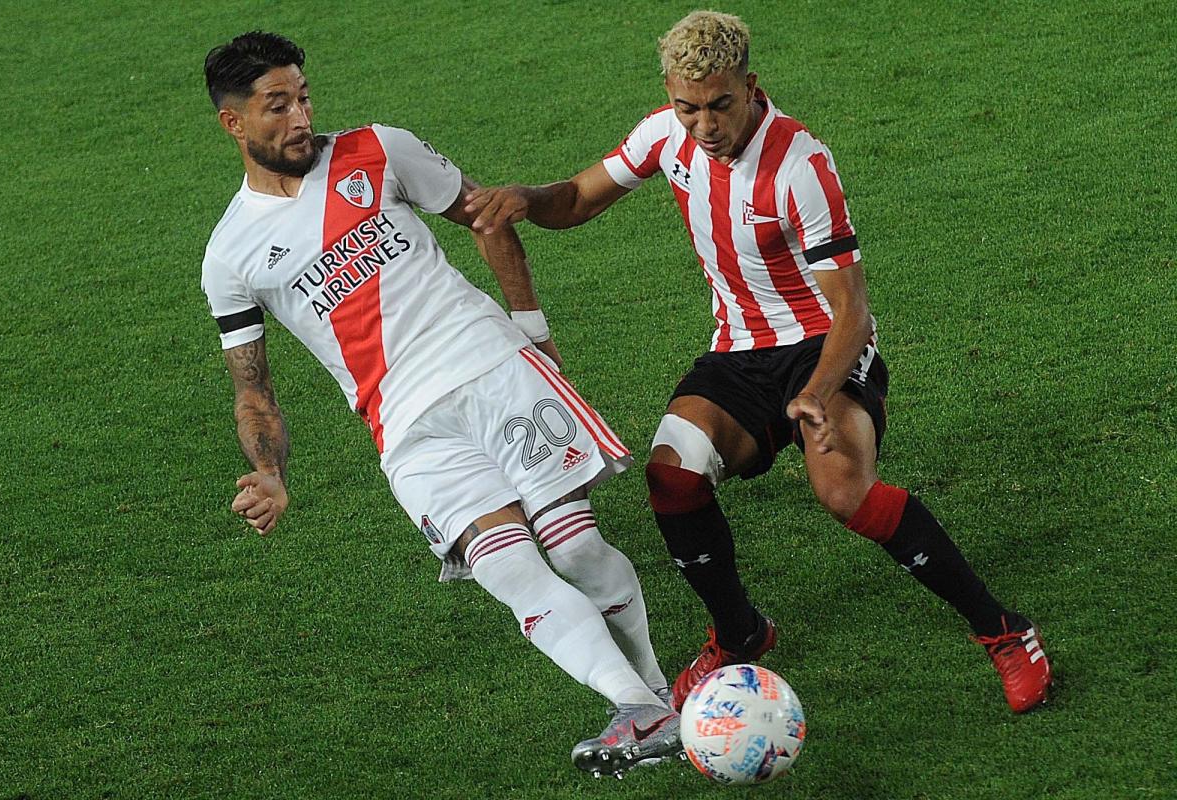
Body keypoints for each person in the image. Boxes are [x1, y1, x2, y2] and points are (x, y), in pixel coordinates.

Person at [464, 10, 1053, 714]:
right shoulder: (665, 136)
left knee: (845, 492)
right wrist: (524, 201)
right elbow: (576, 199)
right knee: (671, 475)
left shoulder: (801, 165)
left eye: (720, 105)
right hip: (739, 351)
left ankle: (1004, 630)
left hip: (823, 347)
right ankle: (739, 632)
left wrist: (816, 393)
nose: (704, 125)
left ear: (751, 86)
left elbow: (852, 312)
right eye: (688, 108)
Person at [199, 31, 682, 776]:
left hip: (492, 366)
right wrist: (269, 471)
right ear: (234, 123)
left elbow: (488, 216)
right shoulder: (229, 255)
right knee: (509, 572)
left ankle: (654, 691)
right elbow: (252, 388)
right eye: (277, 105)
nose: (300, 117)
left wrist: (533, 332)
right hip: (407, 432)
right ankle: (640, 707)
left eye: (303, 96)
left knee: (576, 546)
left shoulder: (379, 149)